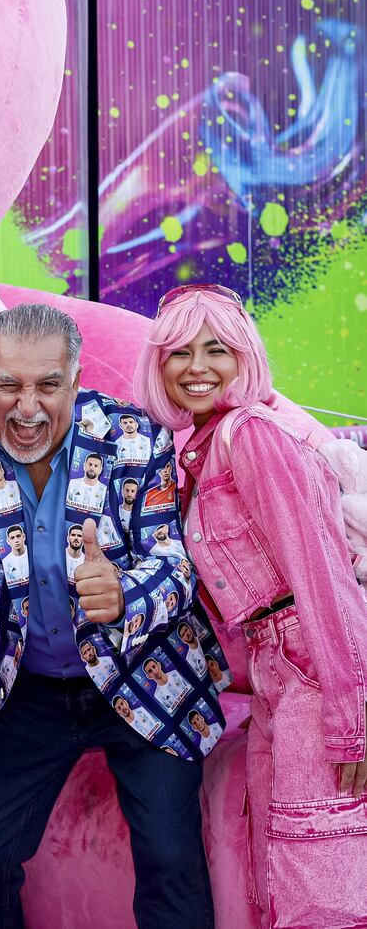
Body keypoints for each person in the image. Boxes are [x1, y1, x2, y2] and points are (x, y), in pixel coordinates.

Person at [0, 303, 229, 929]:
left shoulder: (136, 440)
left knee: (170, 859)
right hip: (24, 693)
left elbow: (174, 567)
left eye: (47, 385)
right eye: (10, 385)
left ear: (75, 383)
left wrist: (124, 597)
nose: (26, 406)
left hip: (143, 677)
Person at [134, 282, 367, 929]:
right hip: (278, 674)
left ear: (245, 357)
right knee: (279, 867)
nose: (198, 365)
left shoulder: (254, 435)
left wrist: (352, 716)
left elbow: (322, 576)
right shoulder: (199, 452)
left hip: (316, 667)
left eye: (217, 348)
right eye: (180, 351)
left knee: (320, 878)